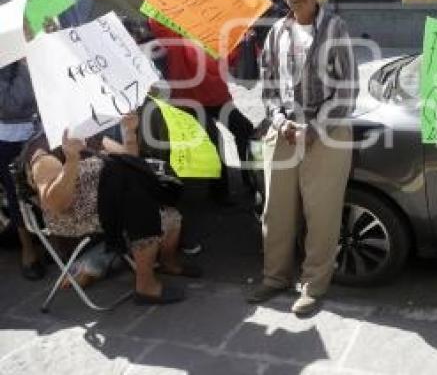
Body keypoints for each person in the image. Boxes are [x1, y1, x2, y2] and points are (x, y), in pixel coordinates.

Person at [247, 0, 358, 316]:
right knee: (275, 211)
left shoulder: (335, 28)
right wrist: (279, 120)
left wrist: (316, 128)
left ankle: (313, 285)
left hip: (326, 133)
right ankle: (275, 277)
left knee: (321, 213)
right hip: (283, 131)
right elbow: (268, 86)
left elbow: (347, 88)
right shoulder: (277, 31)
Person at [24, 114, 200, 305]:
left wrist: (129, 132)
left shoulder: (88, 136)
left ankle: (167, 262)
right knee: (140, 205)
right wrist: (72, 160)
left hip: (105, 202)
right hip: (72, 217)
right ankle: (146, 286)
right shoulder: (42, 154)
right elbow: (55, 205)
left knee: (164, 210)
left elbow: (132, 162)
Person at [147, 18, 255, 206]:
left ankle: (248, 181)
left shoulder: (214, 28)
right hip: (188, 99)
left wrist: (245, 42)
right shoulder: (171, 30)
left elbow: (232, 58)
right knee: (212, 142)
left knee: (244, 129)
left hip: (217, 96)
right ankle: (219, 193)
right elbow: (156, 22)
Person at [0, 61, 43, 279]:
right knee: (15, 192)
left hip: (41, 128)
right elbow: (11, 105)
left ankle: (59, 241)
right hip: (8, 136)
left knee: (48, 182)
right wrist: (27, 64)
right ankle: (28, 248)